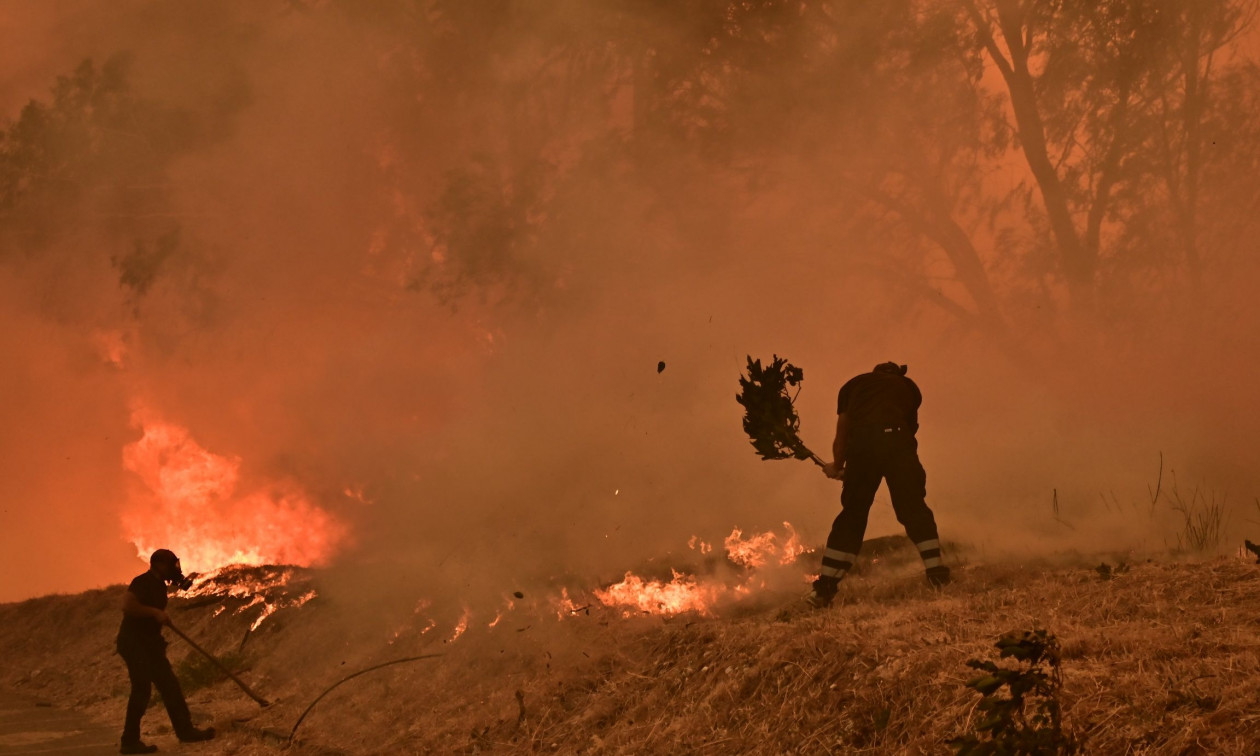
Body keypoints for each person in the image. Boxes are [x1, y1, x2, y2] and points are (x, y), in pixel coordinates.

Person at [808, 362, 949, 608]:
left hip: (862, 446)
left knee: (853, 515)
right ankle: (937, 575)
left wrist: (840, 465)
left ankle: (825, 589)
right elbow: (909, 430)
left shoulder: (852, 385)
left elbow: (843, 428)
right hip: (898, 443)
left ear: (875, 373)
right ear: (895, 374)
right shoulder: (909, 387)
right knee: (913, 508)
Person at [116, 549, 215, 754]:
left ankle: (186, 732)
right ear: (159, 564)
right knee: (142, 689)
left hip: (149, 645)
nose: (175, 570)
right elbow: (127, 605)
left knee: (170, 686)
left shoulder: (159, 586)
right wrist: (154, 612)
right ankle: (129, 741)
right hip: (134, 644)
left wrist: (157, 617)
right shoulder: (143, 582)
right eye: (172, 565)